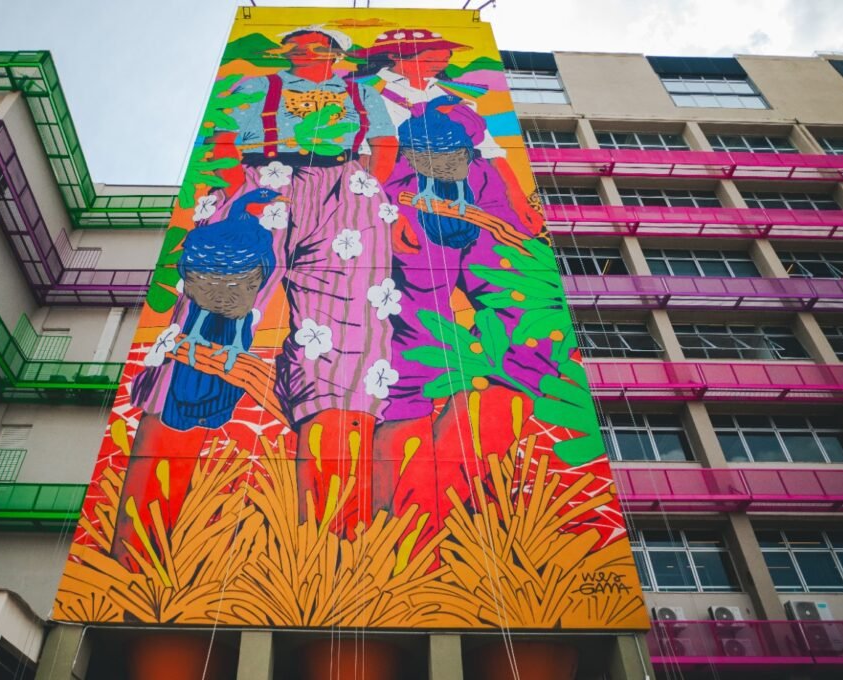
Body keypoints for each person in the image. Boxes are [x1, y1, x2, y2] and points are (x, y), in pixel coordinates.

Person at [128, 25, 400, 539]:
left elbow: (383, 143)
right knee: (210, 312)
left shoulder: (362, 93)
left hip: (344, 191)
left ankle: (330, 543)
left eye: (317, 47)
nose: (305, 53)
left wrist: (368, 189)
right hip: (261, 181)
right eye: (296, 46)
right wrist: (237, 185)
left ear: (335, 54)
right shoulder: (257, 86)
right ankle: (142, 535)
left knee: (349, 342)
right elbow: (223, 139)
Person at [352, 30, 556, 545]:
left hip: (482, 192)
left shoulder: (458, 97)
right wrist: (386, 210)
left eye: (444, 51)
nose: (443, 56)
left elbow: (494, 154)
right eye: (432, 50)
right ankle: (404, 495)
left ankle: (468, 459)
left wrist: (520, 206)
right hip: (409, 194)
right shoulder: (371, 93)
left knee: (522, 310)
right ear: (402, 54)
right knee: (417, 326)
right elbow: (369, 159)